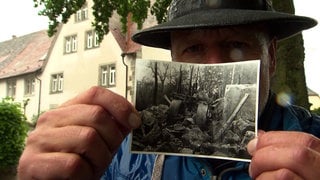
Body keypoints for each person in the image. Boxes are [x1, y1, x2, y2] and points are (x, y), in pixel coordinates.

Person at [18, 0, 320, 179]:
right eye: (194, 49)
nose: (213, 67)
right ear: (174, 59)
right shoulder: (118, 155)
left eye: (237, 45)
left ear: (272, 58)